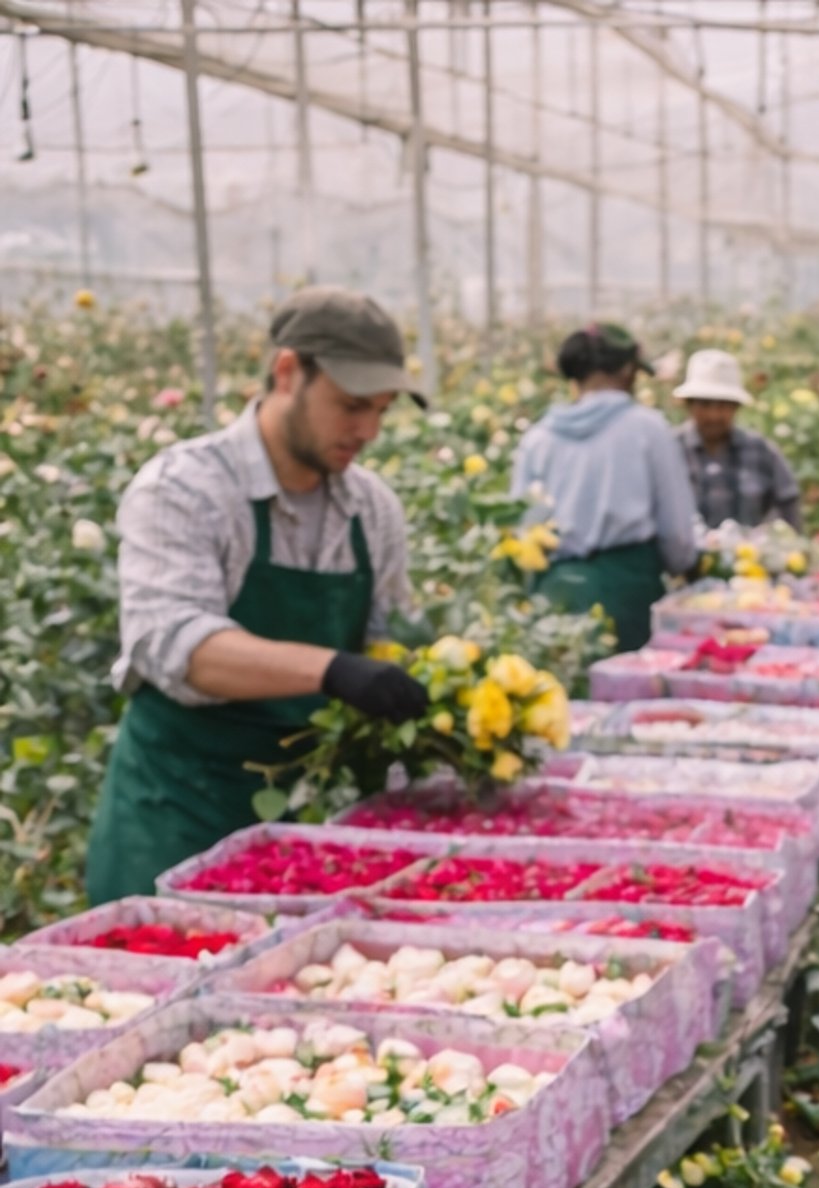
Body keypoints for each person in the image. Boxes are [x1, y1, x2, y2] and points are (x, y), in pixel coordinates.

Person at [86, 287, 430, 903]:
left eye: (382, 410)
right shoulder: (184, 489)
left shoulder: (371, 509)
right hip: (179, 807)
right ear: (288, 372)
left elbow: (387, 639)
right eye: (352, 405)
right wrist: (331, 669)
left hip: (304, 819)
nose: (369, 430)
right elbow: (178, 646)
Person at [511, 321, 700, 654]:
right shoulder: (648, 429)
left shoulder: (538, 439)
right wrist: (685, 566)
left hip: (554, 594)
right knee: (625, 692)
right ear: (628, 370)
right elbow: (677, 534)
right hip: (628, 592)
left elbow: (520, 528)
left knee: (561, 693)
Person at [675, 349, 803, 535]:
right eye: (704, 404)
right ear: (689, 404)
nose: (714, 415)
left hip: (751, 561)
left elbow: (788, 507)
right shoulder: (671, 449)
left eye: (723, 405)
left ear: (736, 407)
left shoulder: (760, 451)